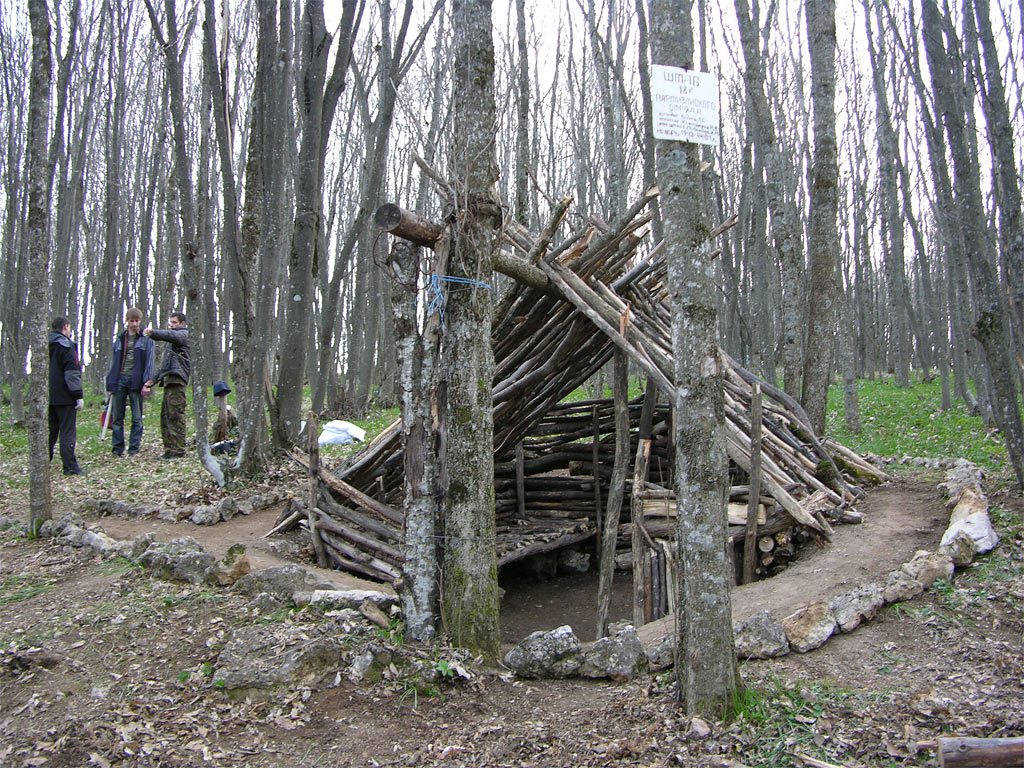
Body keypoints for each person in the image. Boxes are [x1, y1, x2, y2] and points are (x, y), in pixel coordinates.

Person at [105, 307, 155, 457]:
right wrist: (111, 383)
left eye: (137, 321)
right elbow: (114, 363)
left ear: (140, 321)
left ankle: (134, 449)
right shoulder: (120, 340)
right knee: (117, 417)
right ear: (127, 321)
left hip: (136, 382)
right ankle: (117, 449)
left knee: (137, 418)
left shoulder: (146, 341)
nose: (134, 324)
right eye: (132, 321)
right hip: (119, 381)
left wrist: (147, 383)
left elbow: (149, 363)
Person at [143, 312, 191, 459]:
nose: (172, 326)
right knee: (166, 417)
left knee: (175, 415)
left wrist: (153, 333)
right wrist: (153, 381)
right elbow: (165, 366)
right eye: (170, 323)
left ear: (182, 323)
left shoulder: (184, 335)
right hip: (169, 381)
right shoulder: (172, 346)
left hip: (178, 381)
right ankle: (170, 450)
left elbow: (172, 335)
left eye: (174, 323)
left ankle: (179, 450)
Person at [48, 316, 86, 476]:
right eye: (69, 328)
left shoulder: (45, 344)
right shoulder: (66, 345)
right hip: (65, 396)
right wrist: (77, 395)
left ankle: (43, 464)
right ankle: (70, 467)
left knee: (50, 432)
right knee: (67, 432)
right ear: (65, 327)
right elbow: (72, 373)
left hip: (48, 396)